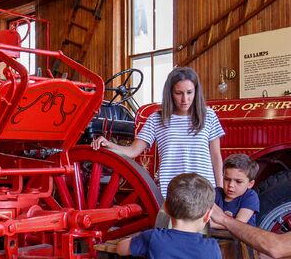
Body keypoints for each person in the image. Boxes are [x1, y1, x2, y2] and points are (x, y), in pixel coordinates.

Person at [92, 67, 225, 199]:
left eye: (189, 92)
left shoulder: (209, 116)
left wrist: (219, 190)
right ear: (170, 93)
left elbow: (216, 156)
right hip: (173, 194)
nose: (185, 99)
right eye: (179, 93)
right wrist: (108, 144)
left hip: (204, 192)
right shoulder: (157, 119)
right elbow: (133, 151)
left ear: (196, 92)